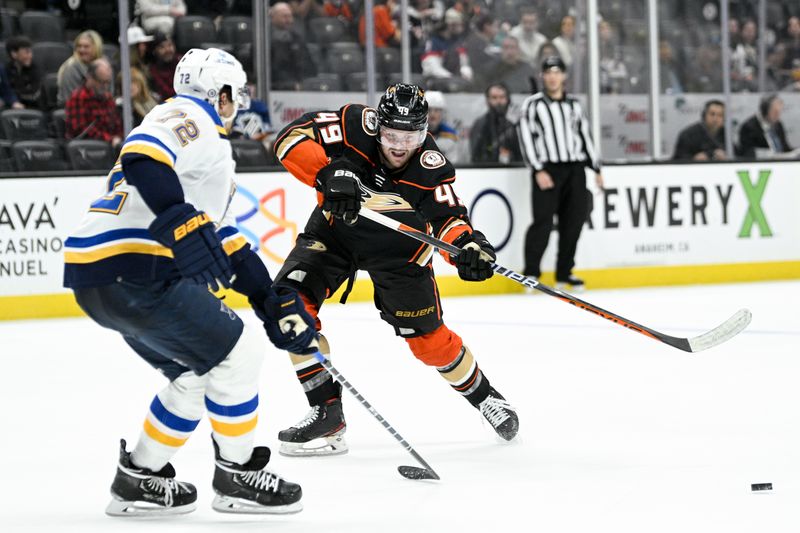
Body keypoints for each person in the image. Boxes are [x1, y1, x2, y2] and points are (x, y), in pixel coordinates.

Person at [63, 48, 312, 516]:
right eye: (235, 94)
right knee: (240, 354)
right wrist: (177, 217)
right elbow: (141, 157)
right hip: (136, 269)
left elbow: (226, 242)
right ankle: (238, 476)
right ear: (219, 94)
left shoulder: (208, 155)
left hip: (97, 277)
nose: (239, 103)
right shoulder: (188, 114)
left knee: (196, 375)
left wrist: (268, 298)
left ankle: (139, 479)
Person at [270, 83, 519, 456]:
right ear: (378, 126)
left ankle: (486, 398)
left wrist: (468, 249)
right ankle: (326, 410)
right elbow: (289, 139)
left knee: (429, 345)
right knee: (288, 306)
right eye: (391, 135)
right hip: (336, 233)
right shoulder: (354, 124)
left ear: (424, 132)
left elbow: (450, 220)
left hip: (400, 252)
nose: (399, 146)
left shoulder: (430, 167)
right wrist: (327, 173)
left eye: (411, 136)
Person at [518, 56, 603, 291]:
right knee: (542, 223)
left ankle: (564, 273)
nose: (553, 77)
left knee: (573, 222)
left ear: (564, 76)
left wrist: (596, 168)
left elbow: (584, 136)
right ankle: (531, 273)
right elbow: (526, 139)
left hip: (575, 169)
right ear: (542, 76)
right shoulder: (533, 105)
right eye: (548, 72)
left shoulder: (574, 105)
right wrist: (537, 169)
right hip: (548, 169)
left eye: (557, 72)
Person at [65, 58, 123, 146]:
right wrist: (110, 139)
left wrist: (120, 137)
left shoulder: (108, 97)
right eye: (101, 82)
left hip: (111, 145)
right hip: (87, 148)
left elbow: (117, 124)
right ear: (90, 77)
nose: (105, 86)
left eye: (108, 82)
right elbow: (82, 131)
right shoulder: (78, 97)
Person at [469, 82, 521, 164]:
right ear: (487, 100)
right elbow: (476, 156)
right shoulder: (481, 125)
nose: (498, 101)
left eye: (502, 97)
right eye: (494, 97)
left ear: (508, 99)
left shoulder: (515, 124)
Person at [270, 2, 317, 90]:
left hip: (298, 86)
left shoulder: (298, 39)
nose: (289, 20)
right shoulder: (265, 40)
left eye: (290, 16)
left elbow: (309, 67)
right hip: (275, 88)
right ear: (273, 18)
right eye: (284, 16)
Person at [737, 94, 795, 159]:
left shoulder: (778, 124)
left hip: (782, 163)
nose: (778, 116)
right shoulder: (749, 127)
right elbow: (748, 153)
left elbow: (785, 148)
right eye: (775, 112)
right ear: (765, 110)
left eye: (779, 112)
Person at [57, 30, 104, 106]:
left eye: (86, 47)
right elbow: (71, 100)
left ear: (96, 48)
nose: (82, 50)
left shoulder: (104, 66)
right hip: (75, 110)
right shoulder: (70, 69)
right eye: (79, 46)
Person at [5, 36, 42, 110]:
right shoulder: (6, 70)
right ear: (14, 54)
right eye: (27, 52)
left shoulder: (35, 69)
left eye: (31, 52)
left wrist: (14, 95)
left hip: (34, 108)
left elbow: (34, 94)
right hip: (12, 109)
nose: (30, 56)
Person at [425, 90, 460, 163]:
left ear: (442, 113)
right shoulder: (415, 135)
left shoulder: (451, 135)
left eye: (436, 110)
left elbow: (454, 163)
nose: (432, 114)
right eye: (429, 110)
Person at [148, 32, 181, 100]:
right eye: (162, 47)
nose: (168, 50)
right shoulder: (153, 70)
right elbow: (166, 93)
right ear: (155, 51)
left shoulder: (182, 62)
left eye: (170, 45)